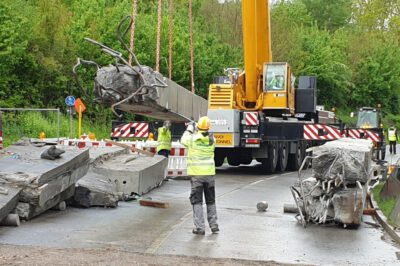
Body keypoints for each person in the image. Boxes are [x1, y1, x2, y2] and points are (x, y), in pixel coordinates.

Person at [181, 117, 219, 235]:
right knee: (210, 200)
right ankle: (214, 225)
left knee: (197, 201)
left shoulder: (192, 139)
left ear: (198, 127)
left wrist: (190, 127)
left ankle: (200, 228)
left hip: (197, 175)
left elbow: (183, 139)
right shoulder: (212, 139)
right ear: (208, 128)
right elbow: (205, 136)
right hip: (209, 175)